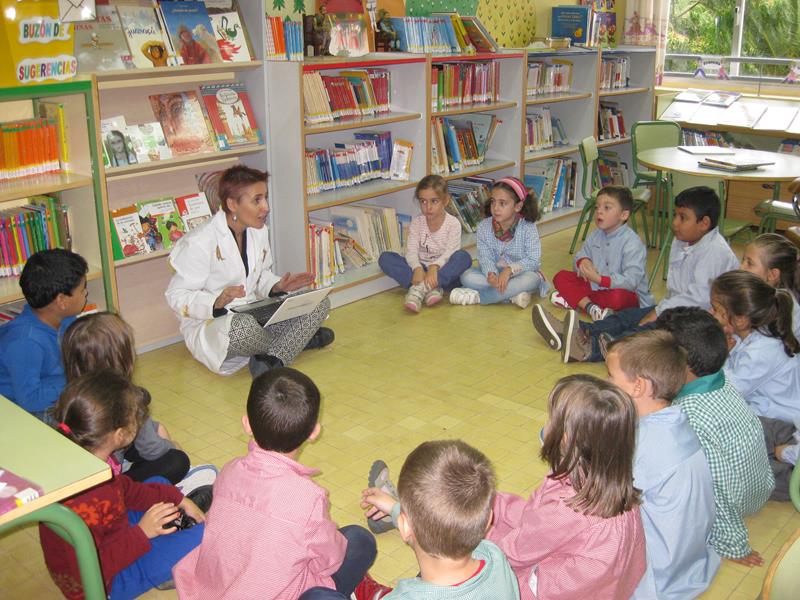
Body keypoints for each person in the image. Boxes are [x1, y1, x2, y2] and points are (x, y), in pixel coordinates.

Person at [173, 368, 380, 600]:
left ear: (246, 424)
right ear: (314, 432)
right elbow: (329, 561)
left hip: (209, 591)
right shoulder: (307, 497)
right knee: (360, 540)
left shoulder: (229, 471)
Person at [40, 370, 205, 600]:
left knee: (158, 484)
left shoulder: (88, 461)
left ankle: (173, 530)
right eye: (134, 418)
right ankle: (173, 557)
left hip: (114, 539)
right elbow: (92, 567)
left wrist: (179, 499)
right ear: (119, 435)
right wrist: (142, 533)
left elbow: (127, 490)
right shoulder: (88, 496)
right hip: (105, 582)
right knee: (206, 535)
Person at [533, 186, 738, 362]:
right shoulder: (684, 239)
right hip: (677, 308)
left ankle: (589, 349)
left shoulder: (714, 252)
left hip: (700, 320)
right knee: (625, 317)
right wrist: (660, 309)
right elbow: (676, 293)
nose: (674, 222)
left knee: (643, 332)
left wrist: (659, 312)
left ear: (704, 223)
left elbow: (698, 299)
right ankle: (577, 331)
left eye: (682, 218)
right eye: (675, 215)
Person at [487, 374, 646, 599]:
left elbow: (514, 554)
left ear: (565, 437)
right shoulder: (613, 484)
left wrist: (478, 540)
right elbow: (536, 519)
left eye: (552, 418)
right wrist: (493, 501)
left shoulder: (569, 507)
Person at [165, 165, 333, 377]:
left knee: (318, 302)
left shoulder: (258, 231)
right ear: (232, 204)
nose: (266, 207)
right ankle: (296, 341)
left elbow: (259, 276)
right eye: (257, 200)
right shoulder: (199, 242)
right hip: (216, 322)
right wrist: (215, 302)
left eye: (265, 198)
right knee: (244, 329)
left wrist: (277, 285)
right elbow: (176, 296)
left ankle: (273, 358)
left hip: (254, 311)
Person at [606, 331, 719, 598]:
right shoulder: (677, 422)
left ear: (638, 387)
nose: (606, 383)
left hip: (658, 573)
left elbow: (606, 505)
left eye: (611, 377)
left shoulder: (641, 446)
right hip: (689, 560)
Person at [657, 307, 774, 564]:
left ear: (679, 364)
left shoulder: (689, 414)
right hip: (759, 487)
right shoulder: (721, 379)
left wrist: (734, 544)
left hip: (737, 501)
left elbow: (719, 484)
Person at [360, 440, 519, 599]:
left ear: (404, 526)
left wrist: (400, 511)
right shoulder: (494, 556)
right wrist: (394, 508)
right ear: (488, 520)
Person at [61, 312, 191, 485]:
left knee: (153, 430)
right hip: (108, 483)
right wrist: (173, 446)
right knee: (177, 460)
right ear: (122, 358)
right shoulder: (127, 397)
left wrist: (154, 427)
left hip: (84, 470)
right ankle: (128, 484)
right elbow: (151, 449)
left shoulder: (69, 394)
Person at [711, 270, 800, 500]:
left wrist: (721, 356)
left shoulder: (762, 350)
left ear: (740, 319)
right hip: (766, 416)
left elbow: (728, 391)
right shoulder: (748, 336)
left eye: (716, 310)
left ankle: (790, 477)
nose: (712, 314)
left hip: (783, 426)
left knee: (729, 454)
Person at [0, 249, 88, 419]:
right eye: (82, 289)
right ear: (61, 300)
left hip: (57, 387)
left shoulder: (66, 319)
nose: (85, 293)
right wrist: (76, 379)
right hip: (22, 409)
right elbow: (30, 400)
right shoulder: (25, 342)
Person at [548, 185, 653, 323]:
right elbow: (579, 257)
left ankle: (576, 299)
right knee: (561, 276)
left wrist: (600, 279)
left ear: (624, 215)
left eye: (607, 207)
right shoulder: (595, 235)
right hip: (596, 288)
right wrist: (583, 261)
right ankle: (591, 308)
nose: (599, 212)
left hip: (623, 293)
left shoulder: (632, 242)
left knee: (618, 298)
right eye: (597, 207)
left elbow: (631, 281)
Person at [449, 177, 548, 309]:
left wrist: (509, 270)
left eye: (502, 203)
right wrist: (491, 274)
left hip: (520, 274)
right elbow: (485, 257)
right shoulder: (484, 226)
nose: (495, 208)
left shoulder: (528, 227)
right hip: (496, 273)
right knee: (466, 276)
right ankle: (512, 296)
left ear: (518, 206)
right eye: (493, 202)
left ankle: (480, 297)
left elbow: (533, 260)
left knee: (532, 279)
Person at [378, 175, 472, 312]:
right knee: (385, 258)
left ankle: (420, 289)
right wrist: (417, 268)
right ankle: (429, 288)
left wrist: (434, 267)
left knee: (463, 257)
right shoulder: (417, 222)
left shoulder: (453, 224)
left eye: (434, 201)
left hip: (442, 271)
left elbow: (450, 253)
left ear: (445, 200)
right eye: (423, 201)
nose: (428, 207)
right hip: (420, 271)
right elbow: (411, 252)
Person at [739, 233, 800, 338]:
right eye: (743, 259)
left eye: (749, 263)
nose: (741, 267)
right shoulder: (757, 292)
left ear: (772, 275)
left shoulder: (782, 309)